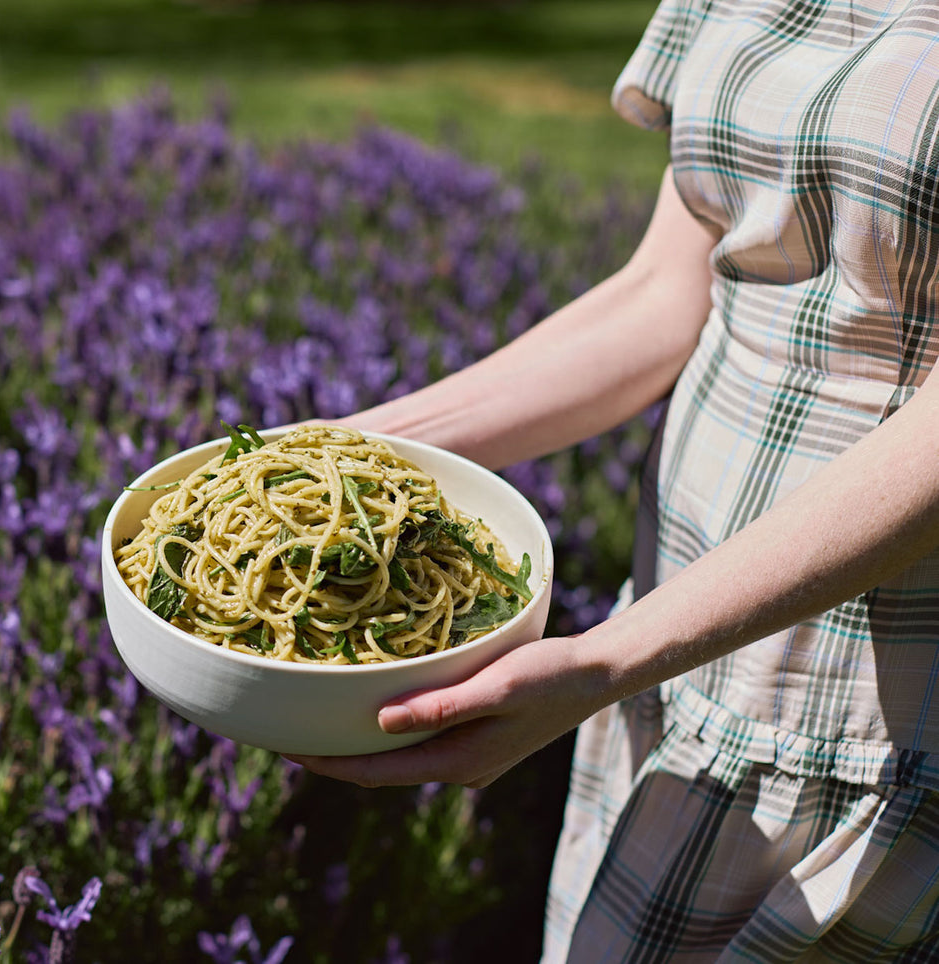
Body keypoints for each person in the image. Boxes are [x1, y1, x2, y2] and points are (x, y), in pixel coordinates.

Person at [283, 1, 939, 960]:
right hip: (672, 651)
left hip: (868, 731)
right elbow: (668, 287)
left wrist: (607, 657)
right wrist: (340, 452)